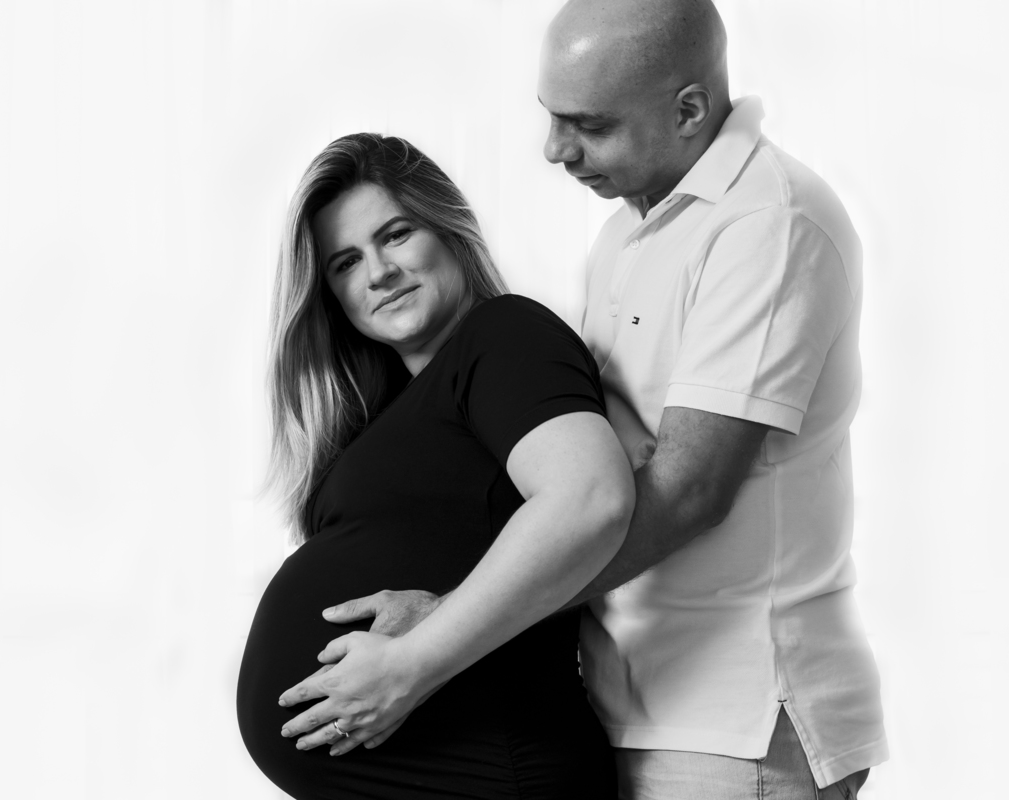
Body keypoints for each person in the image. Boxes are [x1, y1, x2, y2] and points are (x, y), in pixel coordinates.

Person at [301, 1, 889, 798]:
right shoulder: (628, 233)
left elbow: (688, 487)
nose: (555, 149)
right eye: (551, 116)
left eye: (589, 125)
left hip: (738, 717)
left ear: (689, 110)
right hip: (627, 700)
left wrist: (444, 627)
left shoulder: (768, 221)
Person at [235, 132, 636, 798]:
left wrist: (409, 667)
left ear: (447, 227)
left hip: (504, 764)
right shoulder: (390, 412)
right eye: (345, 263)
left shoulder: (502, 335)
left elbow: (589, 499)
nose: (378, 273)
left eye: (395, 235)